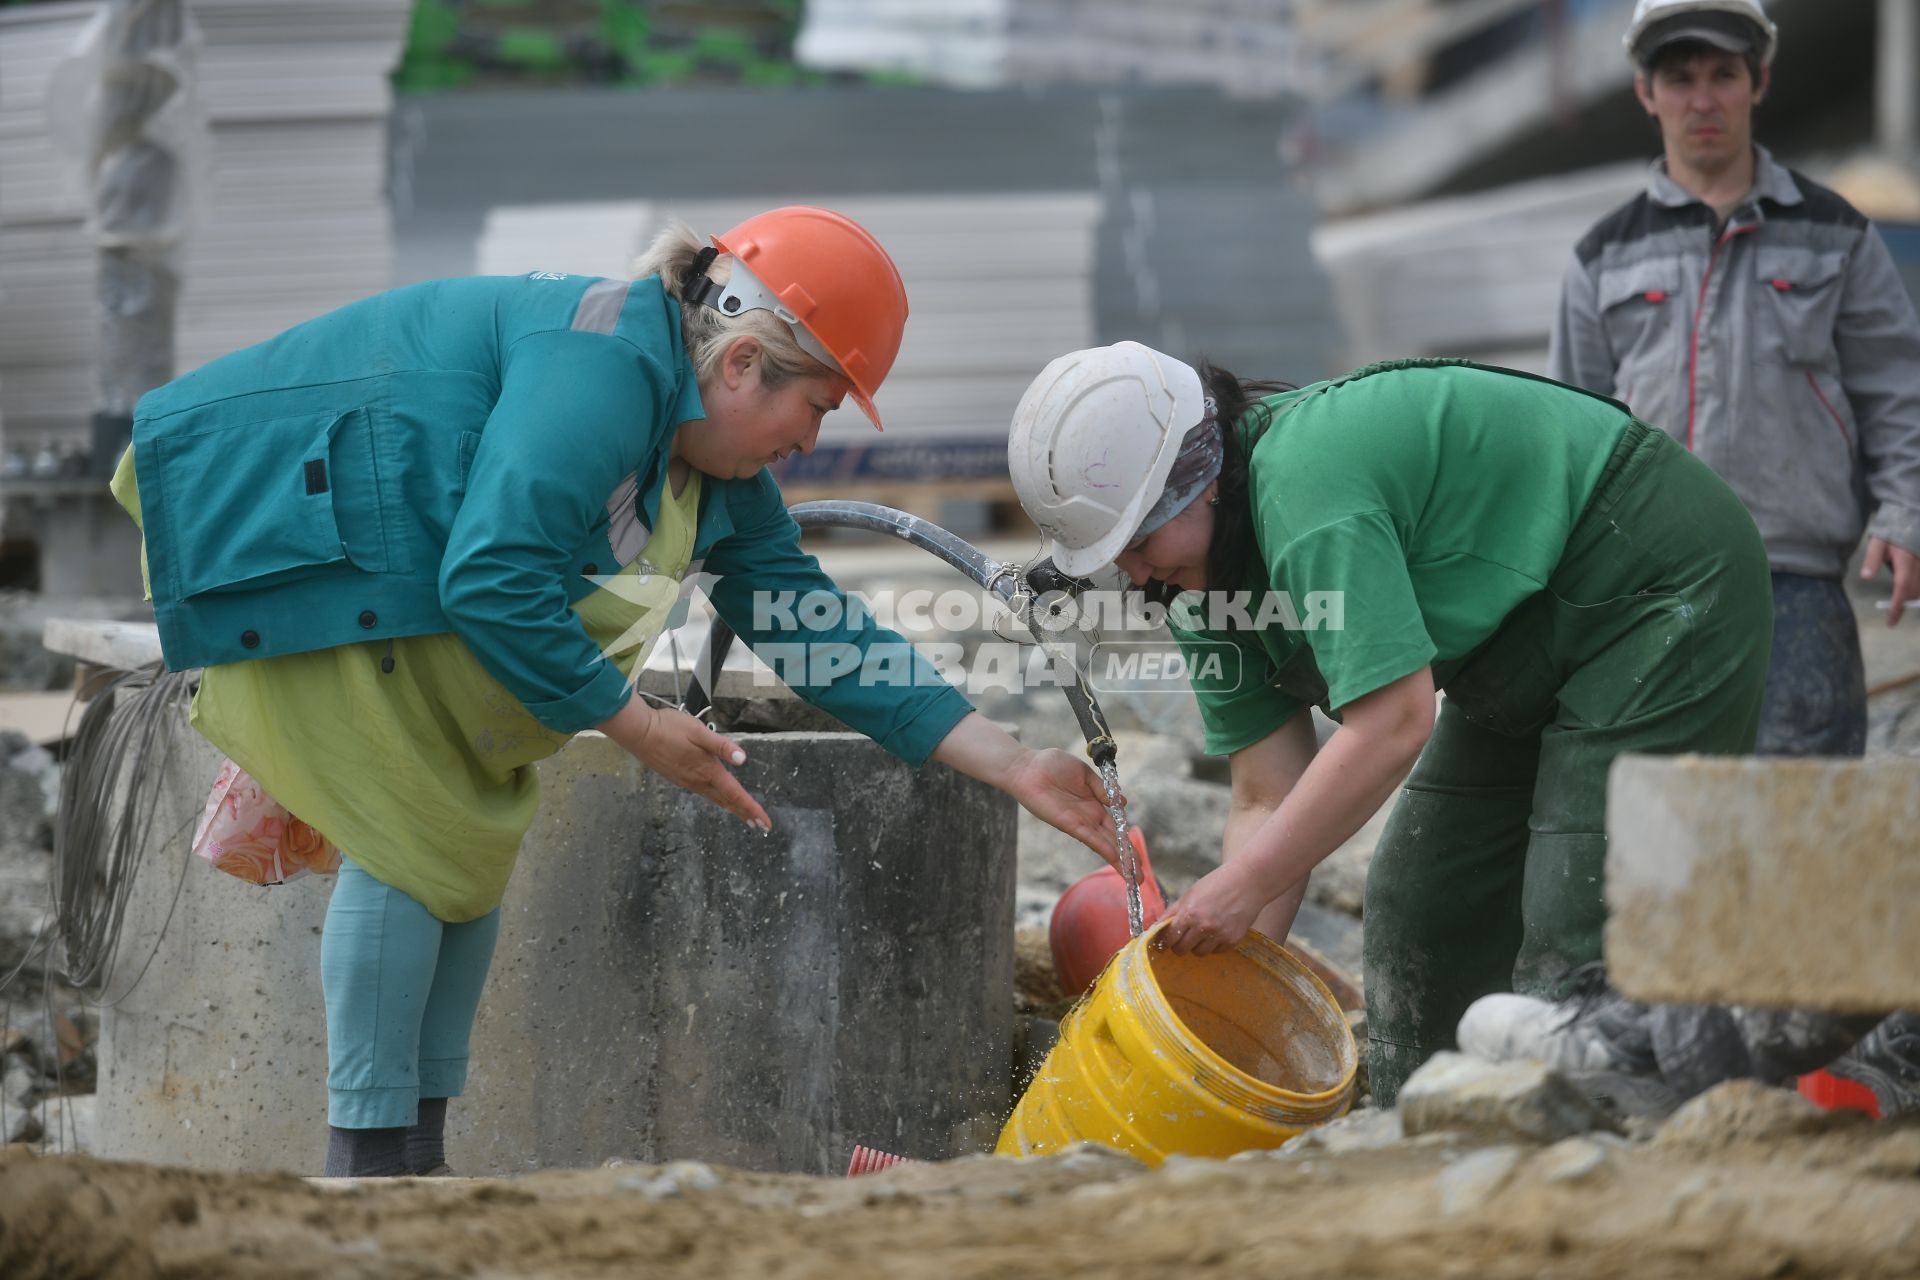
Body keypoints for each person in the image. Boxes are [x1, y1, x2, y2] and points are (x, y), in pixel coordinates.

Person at [111, 206, 1121, 1176]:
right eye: (814, 407)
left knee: (461, 858)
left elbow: (819, 629)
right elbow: (492, 573)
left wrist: (1014, 761)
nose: (811, 441)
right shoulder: (598, 370)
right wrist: (638, 726)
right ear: (739, 363)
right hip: (309, 559)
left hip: (389, 577)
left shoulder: (709, 457)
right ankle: (367, 1163)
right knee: (410, 837)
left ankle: (414, 1154)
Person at [1006, 344, 1773, 1105]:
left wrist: (1241, 885)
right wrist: (1217, 982)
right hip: (1513, 646)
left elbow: (1396, 722)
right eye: (1116, 562)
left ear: (1198, 482)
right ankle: (1425, 1145)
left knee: (1580, 906)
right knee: (1425, 905)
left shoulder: (1305, 491)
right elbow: (1267, 799)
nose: (1137, 576)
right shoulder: (1199, 585)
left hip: (1652, 583)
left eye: (1139, 543)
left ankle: (1599, 1157)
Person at [1535, 0, 1920, 1113]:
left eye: (1722, 73)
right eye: (1679, 75)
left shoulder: (1837, 235)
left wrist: (1903, 512)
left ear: (1759, 81)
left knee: (1800, 821)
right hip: (1654, 602)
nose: (1702, 97)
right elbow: (1573, 436)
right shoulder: (1605, 255)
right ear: (1648, 92)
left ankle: (1817, 1076)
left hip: (1797, 585)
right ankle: (1677, 1071)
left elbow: (1899, 395)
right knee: (1667, 829)